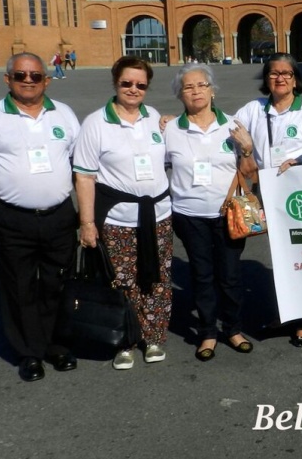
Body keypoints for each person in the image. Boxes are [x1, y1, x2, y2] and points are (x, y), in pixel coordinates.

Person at [0, 52, 80, 382]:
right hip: (13, 219)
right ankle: (29, 352)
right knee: (18, 286)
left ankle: (55, 343)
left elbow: (83, 167)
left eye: (35, 76)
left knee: (59, 282)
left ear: (47, 79)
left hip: (59, 216)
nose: (28, 80)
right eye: (20, 75)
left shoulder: (65, 115)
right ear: (8, 79)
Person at [74, 56, 173, 370]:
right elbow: (85, 177)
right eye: (126, 83)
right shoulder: (95, 123)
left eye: (141, 84)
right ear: (115, 82)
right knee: (122, 281)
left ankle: (153, 336)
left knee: (158, 278)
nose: (133, 89)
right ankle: (125, 340)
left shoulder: (153, 116)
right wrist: (87, 223)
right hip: (118, 219)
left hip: (158, 215)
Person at [233, 53, 302, 347]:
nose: (280, 78)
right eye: (274, 73)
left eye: (286, 73)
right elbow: (222, 130)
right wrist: (169, 120)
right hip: (268, 192)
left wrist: (298, 161)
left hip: (301, 193)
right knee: (281, 256)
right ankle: (286, 314)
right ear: (266, 79)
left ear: (295, 78)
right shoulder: (253, 109)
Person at [164, 64, 257, 362]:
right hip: (188, 215)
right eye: (188, 87)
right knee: (202, 275)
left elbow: (250, 174)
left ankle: (233, 328)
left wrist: (246, 149)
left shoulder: (232, 125)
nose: (196, 91)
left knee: (229, 275)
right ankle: (207, 332)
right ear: (180, 94)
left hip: (227, 213)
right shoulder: (170, 130)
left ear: (212, 90)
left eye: (201, 85)